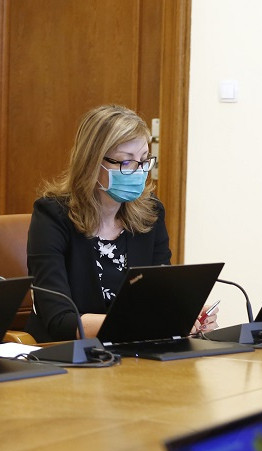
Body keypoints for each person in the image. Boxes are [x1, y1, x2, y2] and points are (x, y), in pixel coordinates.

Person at [26, 104, 216, 342]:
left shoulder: (150, 213)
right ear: (92, 162)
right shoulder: (52, 216)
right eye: (126, 162)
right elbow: (59, 320)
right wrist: (143, 323)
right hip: (67, 353)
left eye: (144, 160)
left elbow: (159, 299)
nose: (139, 171)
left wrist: (183, 316)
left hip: (134, 350)